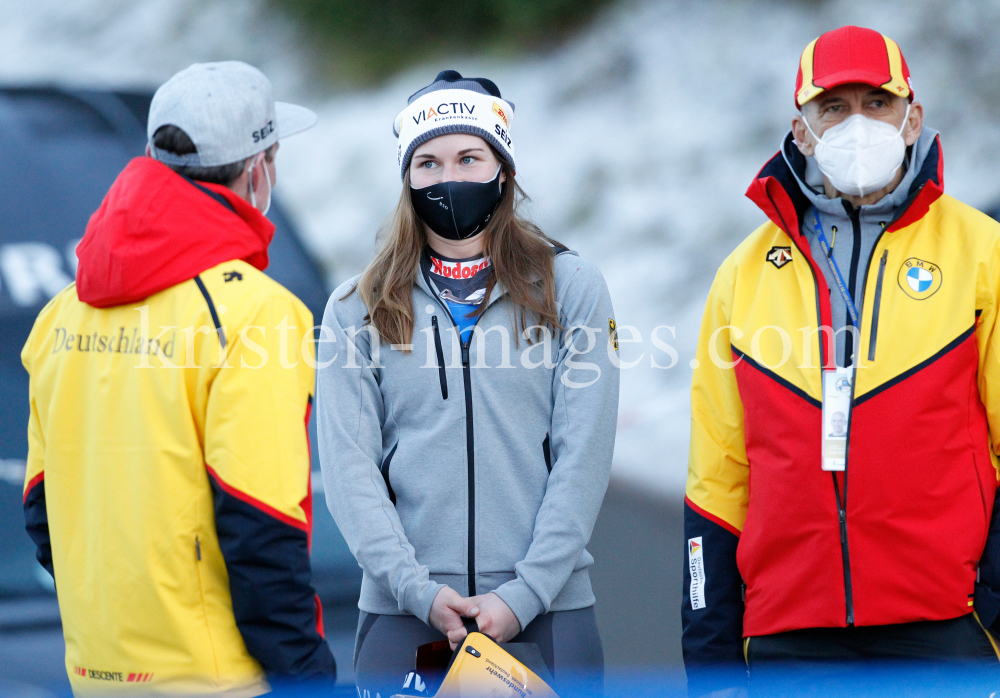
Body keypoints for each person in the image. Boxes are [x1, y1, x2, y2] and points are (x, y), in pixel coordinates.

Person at [684, 25, 1000, 694]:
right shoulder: (741, 276)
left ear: (912, 117)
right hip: (788, 639)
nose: (857, 123)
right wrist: (709, 657)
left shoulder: (984, 253)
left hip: (949, 626)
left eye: (876, 103)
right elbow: (717, 477)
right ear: (801, 132)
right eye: (833, 107)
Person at [22, 61, 336, 694]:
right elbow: (262, 525)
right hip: (217, 678)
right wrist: (308, 681)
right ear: (258, 168)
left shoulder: (61, 312)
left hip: (94, 674)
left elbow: (41, 508)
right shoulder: (257, 314)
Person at [316, 70, 619, 698]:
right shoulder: (355, 307)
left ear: (502, 169)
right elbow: (350, 472)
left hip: (548, 614)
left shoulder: (573, 287)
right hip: (407, 618)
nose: (447, 177)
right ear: (406, 178)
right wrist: (418, 592)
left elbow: (582, 457)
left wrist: (525, 592)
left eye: (468, 157)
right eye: (427, 162)